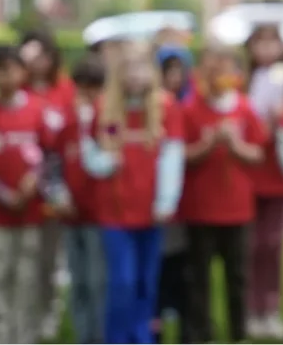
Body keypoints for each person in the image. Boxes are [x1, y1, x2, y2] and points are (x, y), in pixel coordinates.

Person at [83, 42, 185, 344]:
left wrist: (166, 200)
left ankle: (142, 336)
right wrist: (105, 161)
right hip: (115, 210)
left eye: (142, 68)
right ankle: (117, 337)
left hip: (151, 210)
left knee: (145, 280)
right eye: (128, 68)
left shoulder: (166, 107)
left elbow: (172, 156)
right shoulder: (105, 108)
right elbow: (91, 151)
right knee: (122, 280)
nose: (135, 75)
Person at [0, 45, 60, 344]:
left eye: (12, 68)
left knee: (28, 279)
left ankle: (24, 336)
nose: (6, 76)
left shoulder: (37, 110)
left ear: (23, 72)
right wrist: (2, 194)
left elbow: (51, 154)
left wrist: (35, 180)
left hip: (31, 214)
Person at [179, 44, 267, 344]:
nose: (217, 75)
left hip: (238, 210)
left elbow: (258, 153)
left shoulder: (244, 108)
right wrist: (208, 144)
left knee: (237, 277)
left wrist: (235, 145)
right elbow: (180, 156)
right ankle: (199, 333)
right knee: (198, 277)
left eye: (223, 69)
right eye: (211, 69)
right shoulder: (190, 108)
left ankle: (237, 333)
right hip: (200, 209)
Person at [243, 24, 283, 340]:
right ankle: (251, 307)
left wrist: (282, 117)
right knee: (253, 244)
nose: (265, 49)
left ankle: (272, 308)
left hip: (278, 172)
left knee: (274, 243)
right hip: (250, 172)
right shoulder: (241, 81)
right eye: (259, 42)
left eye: (271, 42)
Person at [20, 29, 75, 340]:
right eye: (29, 56)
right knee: (28, 256)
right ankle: (24, 314)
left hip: (57, 183)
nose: (36, 62)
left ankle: (48, 314)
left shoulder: (65, 90)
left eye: (42, 55)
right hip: (23, 183)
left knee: (51, 255)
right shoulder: (19, 91)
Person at [50, 55, 109, 344]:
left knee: (98, 281)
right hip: (71, 215)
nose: (87, 97)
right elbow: (54, 164)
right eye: (82, 89)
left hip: (100, 216)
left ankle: (99, 335)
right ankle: (84, 335)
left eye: (94, 89)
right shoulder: (67, 124)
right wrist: (59, 195)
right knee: (79, 282)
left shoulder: (108, 123)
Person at [151, 44, 194, 344]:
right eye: (169, 71)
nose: (175, 78)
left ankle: (179, 317)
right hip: (153, 201)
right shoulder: (153, 107)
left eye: (180, 71)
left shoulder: (189, 106)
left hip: (187, 203)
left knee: (180, 262)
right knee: (158, 262)